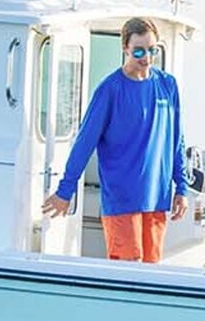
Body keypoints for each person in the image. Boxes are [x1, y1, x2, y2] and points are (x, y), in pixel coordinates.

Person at [41, 18, 188, 262]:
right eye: (139, 51)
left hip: (157, 199)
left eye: (152, 50)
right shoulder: (110, 89)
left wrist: (181, 187)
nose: (147, 57)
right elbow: (84, 143)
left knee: (151, 277)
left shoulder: (167, 85)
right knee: (128, 275)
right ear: (125, 49)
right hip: (121, 201)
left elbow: (176, 140)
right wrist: (65, 191)